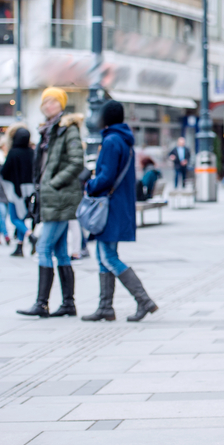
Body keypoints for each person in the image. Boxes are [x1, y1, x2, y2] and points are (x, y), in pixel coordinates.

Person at [82, 100, 159, 323]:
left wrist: (89, 184)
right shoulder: (124, 140)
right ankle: (105, 307)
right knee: (102, 256)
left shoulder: (111, 141)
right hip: (119, 205)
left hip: (110, 206)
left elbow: (106, 177)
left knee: (108, 256)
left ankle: (144, 300)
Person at [17, 87, 85, 318]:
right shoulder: (47, 131)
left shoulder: (67, 129)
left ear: (62, 104)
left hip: (60, 197)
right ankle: (68, 304)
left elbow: (77, 162)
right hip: (52, 197)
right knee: (61, 253)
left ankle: (42, 303)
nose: (49, 105)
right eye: (46, 102)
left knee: (44, 247)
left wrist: (53, 183)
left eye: (54, 101)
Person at [1, 125, 35, 257]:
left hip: (16, 189)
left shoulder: (13, 152)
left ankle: (30, 235)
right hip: (29, 189)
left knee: (15, 218)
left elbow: (4, 171)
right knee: (22, 217)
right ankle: (20, 246)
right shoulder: (31, 152)